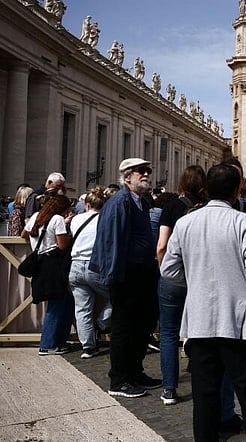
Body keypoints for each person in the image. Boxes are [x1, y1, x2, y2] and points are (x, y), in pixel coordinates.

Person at [160, 164, 246, 441]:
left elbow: (168, 269)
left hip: (199, 323)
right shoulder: (245, 222)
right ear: (236, 192)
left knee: (204, 398)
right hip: (239, 323)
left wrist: (194, 283)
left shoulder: (185, 223)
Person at [90, 158, 162, 398]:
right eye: (141, 171)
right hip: (125, 276)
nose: (146, 174)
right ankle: (118, 379)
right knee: (123, 327)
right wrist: (114, 276)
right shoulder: (120, 202)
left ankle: (135, 371)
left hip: (142, 274)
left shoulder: (139, 201)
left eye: (147, 171)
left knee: (142, 324)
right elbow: (111, 241)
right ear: (127, 176)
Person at [155, 166, 208, 406]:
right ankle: (202, 381)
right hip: (200, 277)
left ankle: (169, 389)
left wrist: (164, 271)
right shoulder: (208, 207)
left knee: (168, 334)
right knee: (199, 331)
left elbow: (161, 246)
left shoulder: (173, 206)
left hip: (174, 278)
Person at [22, 191, 73, 355]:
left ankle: (58, 341)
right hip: (53, 264)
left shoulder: (36, 216)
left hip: (40, 264)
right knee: (56, 303)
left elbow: (24, 234)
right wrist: (67, 229)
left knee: (61, 302)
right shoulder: (57, 219)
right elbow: (62, 245)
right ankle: (48, 344)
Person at [69, 186, 113, 359]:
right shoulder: (105, 219)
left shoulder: (76, 219)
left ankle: (88, 347)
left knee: (82, 308)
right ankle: (101, 323)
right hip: (95, 266)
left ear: (87, 205)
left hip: (75, 265)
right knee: (118, 296)